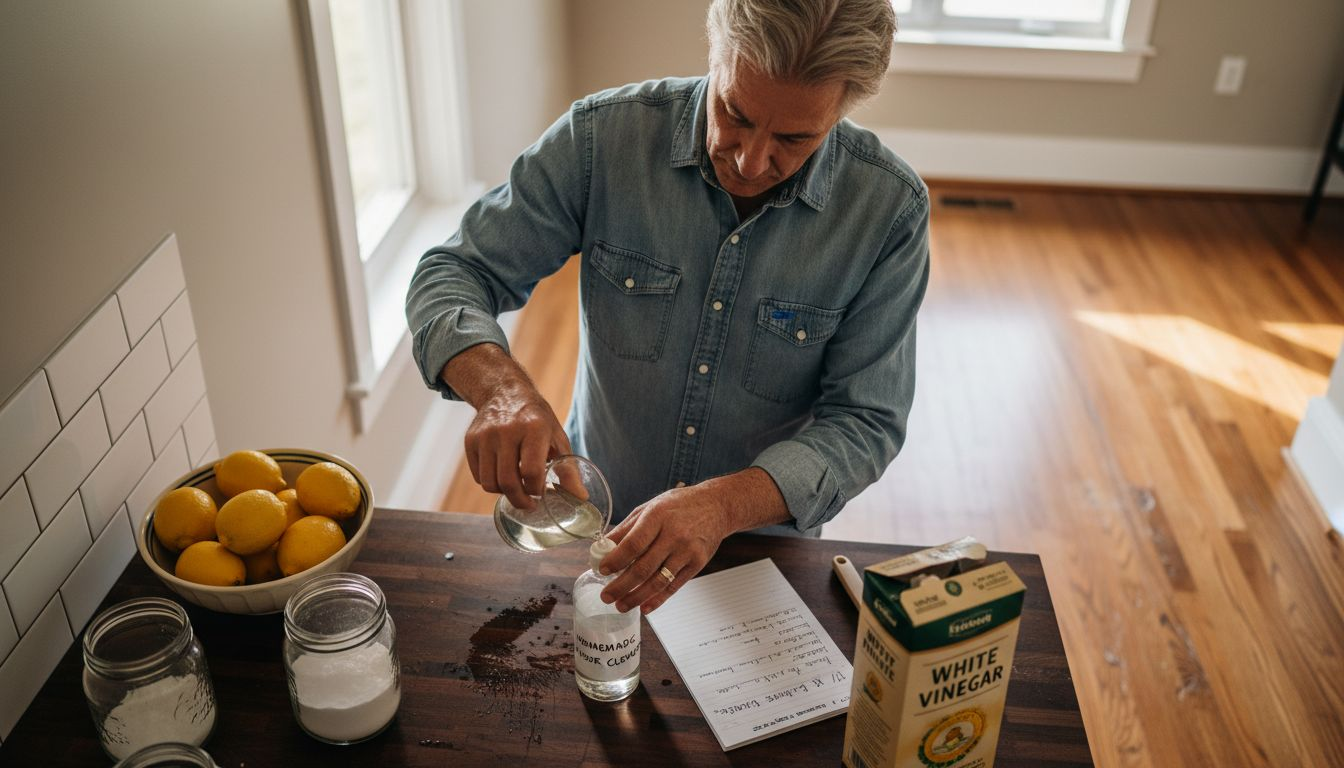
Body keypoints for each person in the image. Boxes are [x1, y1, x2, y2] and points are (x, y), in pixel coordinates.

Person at [406, 0, 928, 615]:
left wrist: (724, 506)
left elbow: (867, 420)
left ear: (843, 109)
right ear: (715, 48)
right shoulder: (603, 139)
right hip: (592, 526)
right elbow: (455, 269)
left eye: (794, 138)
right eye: (734, 113)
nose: (750, 160)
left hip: (756, 549)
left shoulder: (889, 210)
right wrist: (500, 390)